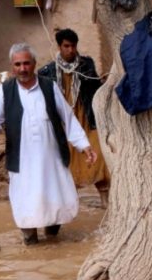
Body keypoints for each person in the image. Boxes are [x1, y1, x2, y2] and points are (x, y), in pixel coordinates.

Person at [0, 43, 97, 245]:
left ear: (34, 64)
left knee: (54, 199)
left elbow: (68, 118)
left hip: (51, 157)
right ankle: (30, 240)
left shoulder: (49, 86)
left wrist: (84, 145)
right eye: (18, 64)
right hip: (22, 158)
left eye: (26, 63)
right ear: (12, 67)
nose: (23, 68)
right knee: (26, 200)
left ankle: (52, 237)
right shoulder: (5, 91)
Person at [38, 28, 110, 208]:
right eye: (66, 46)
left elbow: (94, 88)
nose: (71, 50)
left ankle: (104, 200)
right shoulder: (47, 71)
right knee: (66, 160)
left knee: (97, 154)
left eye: (73, 46)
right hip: (63, 122)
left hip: (86, 117)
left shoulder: (86, 65)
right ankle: (69, 203)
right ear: (59, 47)